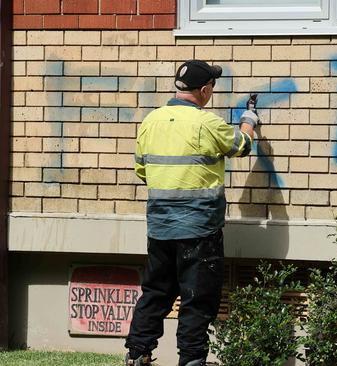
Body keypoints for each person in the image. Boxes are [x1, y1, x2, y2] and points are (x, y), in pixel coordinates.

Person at [124, 59, 259, 366]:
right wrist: (249, 119)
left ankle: (136, 354)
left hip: (159, 229)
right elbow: (242, 145)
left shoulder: (151, 122)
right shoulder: (207, 124)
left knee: (155, 294)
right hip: (200, 231)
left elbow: (142, 170)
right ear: (204, 89)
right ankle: (192, 360)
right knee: (197, 300)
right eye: (212, 87)